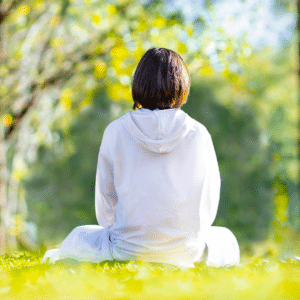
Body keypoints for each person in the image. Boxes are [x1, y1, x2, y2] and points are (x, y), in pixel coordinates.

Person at [42, 47, 240, 268]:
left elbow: (105, 202)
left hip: (126, 248)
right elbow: (208, 201)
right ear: (182, 84)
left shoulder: (116, 130)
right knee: (226, 238)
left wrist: (124, 233)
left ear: (138, 83)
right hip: (186, 250)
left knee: (79, 235)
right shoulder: (198, 133)